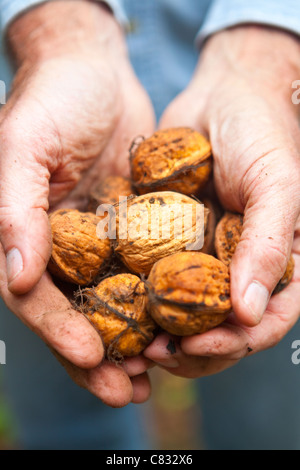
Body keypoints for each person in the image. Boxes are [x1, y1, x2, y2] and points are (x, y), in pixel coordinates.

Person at [0, 0, 299, 449]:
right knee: (63, 408)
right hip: (49, 176)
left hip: (237, 146)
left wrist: (263, 58)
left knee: (262, 415)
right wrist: (58, 36)